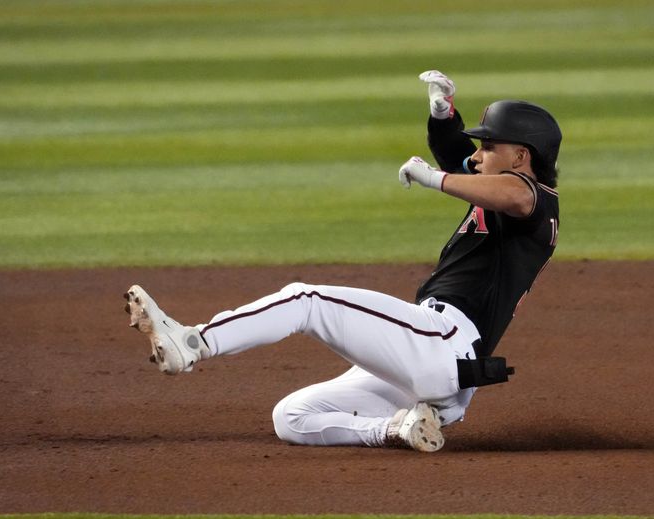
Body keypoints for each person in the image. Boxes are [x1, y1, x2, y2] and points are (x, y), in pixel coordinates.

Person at [124, 70, 561, 453]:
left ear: (521, 156)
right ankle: (396, 428)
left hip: (443, 342)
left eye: (489, 145)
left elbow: (517, 194)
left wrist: (436, 179)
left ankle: (194, 342)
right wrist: (444, 115)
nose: (478, 155)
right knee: (292, 415)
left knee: (306, 299)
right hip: (436, 376)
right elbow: (457, 155)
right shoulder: (494, 184)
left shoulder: (537, 203)